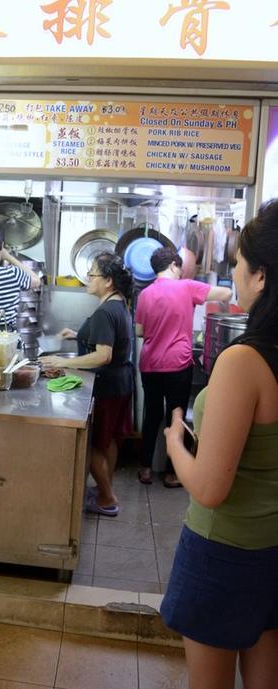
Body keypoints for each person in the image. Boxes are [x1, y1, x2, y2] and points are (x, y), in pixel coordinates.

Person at [161, 199, 278, 689]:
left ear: (262, 277)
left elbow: (210, 488)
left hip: (224, 552)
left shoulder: (244, 364)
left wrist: (175, 446)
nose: (233, 274)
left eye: (238, 265)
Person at [40, 252, 134, 517]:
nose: (88, 278)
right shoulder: (119, 303)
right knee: (109, 441)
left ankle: (107, 498)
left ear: (108, 281)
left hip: (106, 386)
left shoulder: (106, 311)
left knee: (93, 445)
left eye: (93, 274)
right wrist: (77, 334)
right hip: (120, 383)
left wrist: (63, 361)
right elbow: (106, 340)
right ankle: (107, 488)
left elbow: (103, 354)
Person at [135, 247, 232, 487]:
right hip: (178, 363)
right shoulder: (187, 287)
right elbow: (227, 292)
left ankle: (145, 469)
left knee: (152, 415)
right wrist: (223, 305)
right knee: (176, 416)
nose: (180, 272)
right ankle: (172, 473)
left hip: (150, 364)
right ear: (172, 266)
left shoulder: (145, 294)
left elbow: (139, 332)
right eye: (179, 268)